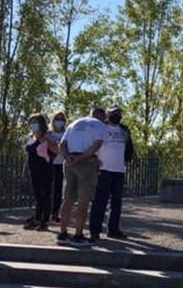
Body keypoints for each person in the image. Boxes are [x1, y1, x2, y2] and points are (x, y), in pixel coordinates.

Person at [57, 108, 106, 247]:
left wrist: (67, 157)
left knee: (68, 198)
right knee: (83, 199)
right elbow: (97, 145)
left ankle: (63, 233)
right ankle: (78, 235)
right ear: (101, 116)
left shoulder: (75, 123)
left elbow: (62, 144)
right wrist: (80, 158)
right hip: (86, 162)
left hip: (69, 161)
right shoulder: (99, 125)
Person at [89, 104, 135, 243]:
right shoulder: (100, 128)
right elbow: (91, 144)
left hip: (119, 170)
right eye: (115, 113)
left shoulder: (124, 129)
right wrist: (94, 159)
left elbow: (129, 147)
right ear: (108, 114)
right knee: (100, 202)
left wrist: (127, 159)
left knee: (117, 202)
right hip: (103, 170)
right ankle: (95, 231)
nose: (118, 115)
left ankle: (113, 229)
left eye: (119, 113)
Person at [22, 114, 58, 231]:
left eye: (35, 122)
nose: (33, 124)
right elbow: (28, 155)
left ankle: (45, 221)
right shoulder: (31, 137)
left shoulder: (46, 135)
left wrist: (46, 141)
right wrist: (25, 169)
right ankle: (37, 219)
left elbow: (56, 149)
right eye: (31, 122)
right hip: (34, 170)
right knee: (38, 196)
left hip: (45, 169)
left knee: (45, 195)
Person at [49, 112, 67, 222]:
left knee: (58, 189)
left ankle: (55, 212)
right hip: (49, 163)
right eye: (57, 119)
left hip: (62, 164)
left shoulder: (66, 134)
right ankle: (45, 211)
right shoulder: (49, 134)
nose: (59, 121)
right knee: (47, 188)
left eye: (61, 119)